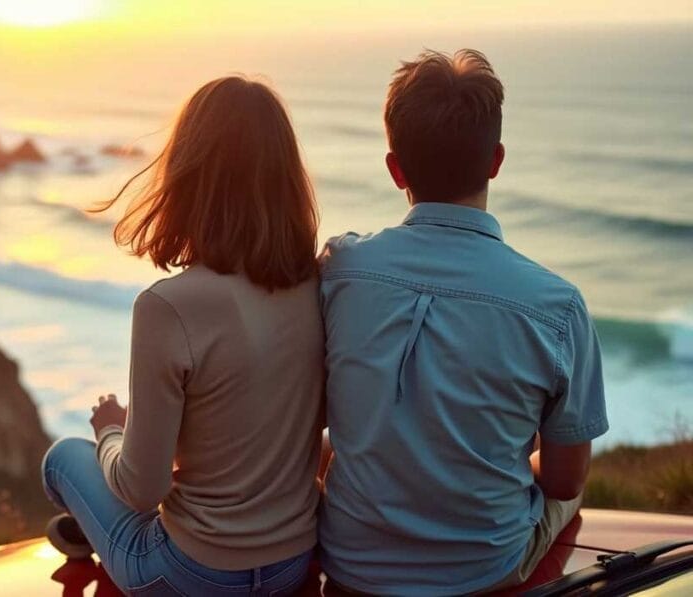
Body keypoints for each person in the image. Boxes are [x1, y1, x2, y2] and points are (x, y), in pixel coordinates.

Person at [318, 49, 608, 595]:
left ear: (394, 168)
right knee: (569, 490)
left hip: (352, 568)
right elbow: (566, 478)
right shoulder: (558, 305)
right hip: (484, 574)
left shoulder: (341, 269)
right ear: (496, 160)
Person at [41, 75, 326, 596]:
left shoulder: (166, 307)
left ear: (189, 175)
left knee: (62, 457)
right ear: (286, 178)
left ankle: (92, 538)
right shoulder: (321, 286)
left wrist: (110, 432)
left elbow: (142, 489)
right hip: (292, 564)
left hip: (190, 577)